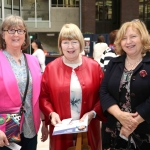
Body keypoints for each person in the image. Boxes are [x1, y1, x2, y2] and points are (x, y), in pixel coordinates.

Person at [39, 23, 106, 150]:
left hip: (89, 127)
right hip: (61, 130)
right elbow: (44, 97)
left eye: (74, 42)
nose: (70, 47)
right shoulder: (51, 69)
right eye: (65, 42)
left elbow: (103, 96)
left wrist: (93, 113)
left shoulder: (94, 67)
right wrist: (51, 113)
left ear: (80, 43)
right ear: (60, 45)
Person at [100, 19, 150, 149]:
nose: (128, 42)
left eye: (133, 36)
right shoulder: (114, 63)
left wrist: (133, 122)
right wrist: (120, 115)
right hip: (115, 130)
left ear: (143, 38)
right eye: (124, 38)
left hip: (145, 131)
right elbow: (104, 92)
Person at [0, 15, 48, 150]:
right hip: (5, 130)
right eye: (11, 30)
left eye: (20, 30)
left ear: (25, 35)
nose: (16, 34)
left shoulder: (32, 61)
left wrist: (44, 122)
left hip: (30, 128)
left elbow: (37, 95)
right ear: (3, 35)